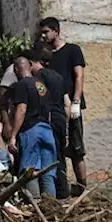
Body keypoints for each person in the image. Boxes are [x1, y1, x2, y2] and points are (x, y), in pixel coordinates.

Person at [39, 17, 88, 192]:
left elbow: (79, 76)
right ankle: (63, 187)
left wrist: (76, 101)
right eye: (42, 33)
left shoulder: (72, 50)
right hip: (55, 109)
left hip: (71, 107)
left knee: (76, 148)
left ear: (56, 31)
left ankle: (83, 187)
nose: (43, 36)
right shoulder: (47, 56)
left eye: (46, 32)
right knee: (58, 149)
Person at [7, 51, 59, 198]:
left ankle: (33, 204)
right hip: (47, 131)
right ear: (29, 66)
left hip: (31, 131)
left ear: (16, 70)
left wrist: (13, 136)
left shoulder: (22, 85)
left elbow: (21, 109)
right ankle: (50, 205)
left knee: (29, 170)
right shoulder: (41, 86)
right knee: (48, 171)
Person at [30, 45, 71, 198]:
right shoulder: (59, 77)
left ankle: (50, 194)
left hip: (49, 119)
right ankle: (63, 191)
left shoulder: (39, 76)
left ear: (36, 62)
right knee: (60, 155)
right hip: (60, 118)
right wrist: (66, 127)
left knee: (49, 157)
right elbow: (66, 102)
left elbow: (42, 96)